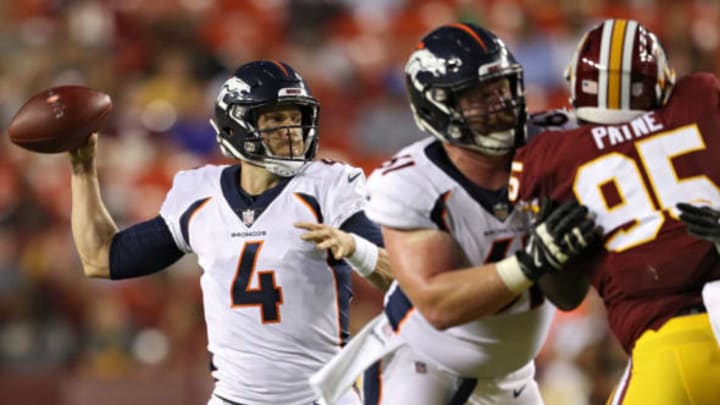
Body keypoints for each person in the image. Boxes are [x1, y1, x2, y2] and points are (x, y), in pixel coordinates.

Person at [68, 60, 392, 405]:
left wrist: (355, 247)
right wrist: (82, 170)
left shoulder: (329, 186)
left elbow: (404, 279)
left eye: (296, 117)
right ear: (237, 125)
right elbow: (101, 258)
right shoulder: (199, 193)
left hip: (321, 399)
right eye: (276, 119)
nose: (292, 130)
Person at [311, 23, 600, 405]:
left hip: (512, 374)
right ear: (437, 105)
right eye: (480, 96)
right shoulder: (411, 182)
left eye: (503, 88)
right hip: (423, 366)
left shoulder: (557, 143)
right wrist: (531, 264)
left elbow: (566, 296)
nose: (500, 104)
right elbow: (437, 303)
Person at [509, 18, 720, 404]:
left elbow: (566, 296)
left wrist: (544, 254)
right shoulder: (702, 99)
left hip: (669, 347)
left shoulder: (554, 155)